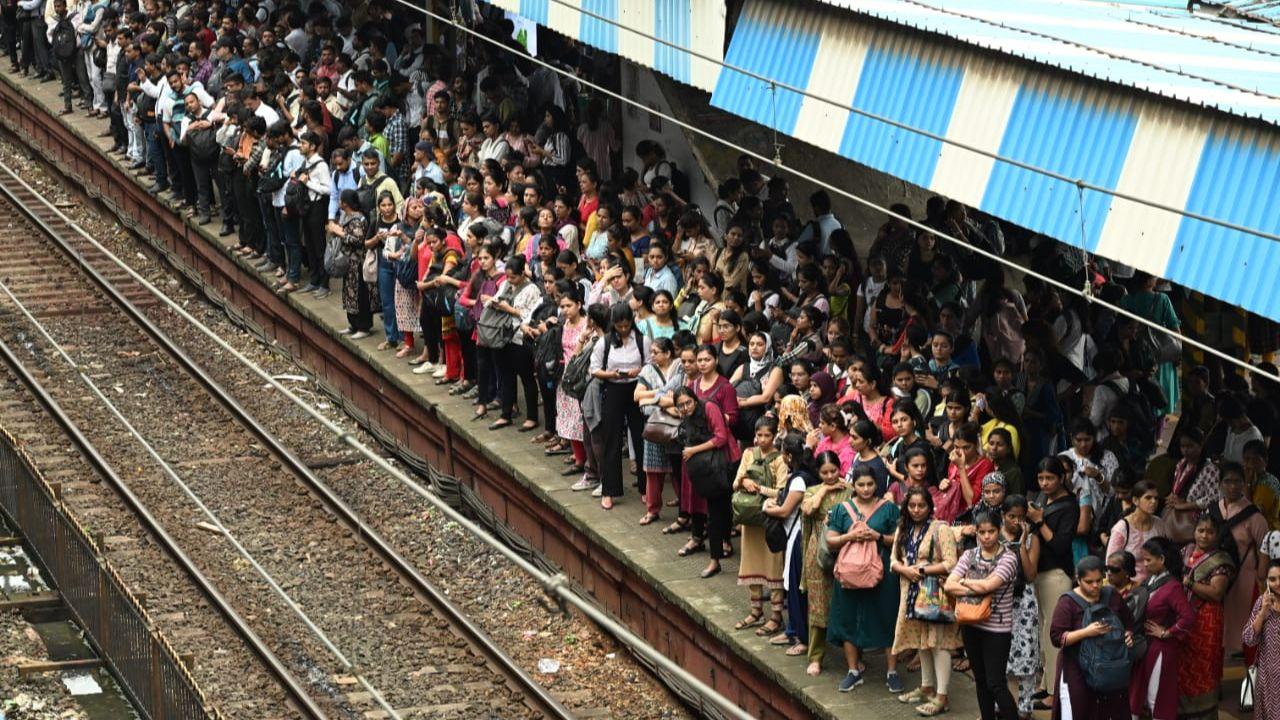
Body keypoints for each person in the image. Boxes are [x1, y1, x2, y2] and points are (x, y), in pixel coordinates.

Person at [825, 467, 901, 692]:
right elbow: (831, 539)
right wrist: (851, 536)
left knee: (887, 617)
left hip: (881, 573)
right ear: (853, 486)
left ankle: (892, 671)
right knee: (848, 617)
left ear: (876, 484)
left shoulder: (888, 509)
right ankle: (853, 670)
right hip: (849, 573)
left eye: (870, 484)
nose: (866, 489)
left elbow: (898, 539)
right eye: (861, 485)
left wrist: (876, 536)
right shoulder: (841, 509)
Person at [890, 487, 961, 716]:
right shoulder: (903, 528)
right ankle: (927, 686)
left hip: (933, 594)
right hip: (910, 591)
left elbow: (951, 563)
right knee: (922, 641)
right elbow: (893, 560)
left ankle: (942, 696)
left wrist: (921, 569)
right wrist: (905, 570)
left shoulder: (941, 529)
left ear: (930, 506)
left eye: (921, 506)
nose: (917, 510)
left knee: (938, 643)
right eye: (912, 506)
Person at [944, 510, 1020, 720]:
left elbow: (989, 585)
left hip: (997, 628)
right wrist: (975, 588)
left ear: (999, 530)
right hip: (971, 623)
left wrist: (965, 582)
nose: (987, 537)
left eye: (992, 531)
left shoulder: (1009, 557)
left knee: (996, 684)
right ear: (976, 532)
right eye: (982, 532)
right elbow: (949, 585)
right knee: (980, 680)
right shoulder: (969, 555)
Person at [1048, 555, 1135, 719]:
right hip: (1076, 669)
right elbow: (1057, 638)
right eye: (1089, 582)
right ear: (1078, 579)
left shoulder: (1111, 595)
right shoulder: (1067, 603)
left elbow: (1128, 622)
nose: (1095, 586)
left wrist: (1128, 635)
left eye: (1099, 580)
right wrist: (1086, 632)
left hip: (1110, 669)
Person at [1027, 456, 1079, 711]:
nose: (1045, 483)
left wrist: (1038, 521)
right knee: (1042, 632)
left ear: (1061, 478)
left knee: (1054, 635)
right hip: (1039, 573)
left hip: (1056, 574)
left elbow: (1059, 545)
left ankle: (1056, 693)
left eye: (1050, 478)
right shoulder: (1041, 499)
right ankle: (1046, 685)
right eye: (1041, 478)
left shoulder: (1070, 506)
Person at [673, 385, 740, 578]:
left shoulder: (709, 407)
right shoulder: (687, 417)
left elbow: (720, 437)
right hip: (707, 468)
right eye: (681, 406)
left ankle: (716, 558)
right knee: (716, 511)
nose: (685, 408)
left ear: (695, 399)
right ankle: (717, 556)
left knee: (718, 512)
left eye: (688, 403)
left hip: (724, 463)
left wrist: (694, 450)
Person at [589, 302, 650, 509]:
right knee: (611, 440)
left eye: (626, 325)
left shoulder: (642, 340)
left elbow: (650, 364)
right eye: (619, 326)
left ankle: (645, 487)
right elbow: (595, 369)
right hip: (613, 388)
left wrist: (638, 371)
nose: (623, 329)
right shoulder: (604, 342)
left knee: (641, 437)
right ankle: (610, 490)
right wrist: (611, 374)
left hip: (636, 388)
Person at [763, 432, 819, 654]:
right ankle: (792, 630)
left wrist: (768, 508)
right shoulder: (805, 474)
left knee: (797, 590)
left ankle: (801, 638)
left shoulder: (799, 480)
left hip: (798, 537)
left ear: (787, 455)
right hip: (798, 535)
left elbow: (786, 510)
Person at [1130, 536, 1196, 720]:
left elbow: (1188, 617)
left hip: (1160, 650)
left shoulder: (1173, 587)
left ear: (1162, 560)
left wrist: (1167, 632)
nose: (1144, 564)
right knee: (1137, 696)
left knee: (1156, 699)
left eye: (1148, 560)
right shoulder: (1149, 582)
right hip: (1144, 646)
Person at [731, 416, 788, 633]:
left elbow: (782, 491)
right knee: (751, 565)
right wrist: (743, 482)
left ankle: (775, 616)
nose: (763, 439)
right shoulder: (748, 454)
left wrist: (759, 489)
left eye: (767, 435)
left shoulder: (780, 460)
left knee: (773, 566)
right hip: (750, 517)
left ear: (774, 436)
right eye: (759, 435)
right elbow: (736, 482)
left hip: (770, 518)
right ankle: (755, 611)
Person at [1178, 513, 1236, 718]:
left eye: (1210, 532)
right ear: (1194, 532)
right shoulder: (1185, 550)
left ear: (1218, 535)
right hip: (1183, 617)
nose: (1204, 536)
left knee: (1205, 665)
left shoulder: (1221, 560)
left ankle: (1205, 712)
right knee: (1183, 664)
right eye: (1200, 530)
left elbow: (1216, 593)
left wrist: (1191, 584)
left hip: (1207, 620)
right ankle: (1182, 710)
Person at [800, 451, 852, 676]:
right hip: (818, 551)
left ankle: (852, 656)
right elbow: (809, 509)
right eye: (824, 472)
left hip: (845, 549)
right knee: (818, 604)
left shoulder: (850, 490)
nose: (830, 476)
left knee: (847, 602)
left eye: (833, 471)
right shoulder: (812, 491)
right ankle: (815, 656)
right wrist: (825, 489)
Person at [1214, 461, 1270, 655]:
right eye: (1228, 481)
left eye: (1238, 481)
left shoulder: (1253, 515)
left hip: (1245, 577)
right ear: (1220, 483)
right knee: (1217, 626)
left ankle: (1252, 676)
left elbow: (1266, 543)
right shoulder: (1214, 510)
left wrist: (1262, 572)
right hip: (1218, 575)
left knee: (1247, 624)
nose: (1233, 486)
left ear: (1244, 483)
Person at [1001, 495, 1043, 720]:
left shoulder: (1032, 539)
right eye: (1011, 517)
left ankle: (1025, 707)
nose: (1016, 522)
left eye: (1021, 517)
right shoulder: (992, 534)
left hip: (1024, 600)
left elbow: (1030, 574)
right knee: (1000, 652)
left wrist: (1022, 544)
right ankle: (1003, 704)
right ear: (1003, 516)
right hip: (1000, 599)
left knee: (1026, 651)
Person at [635, 336, 684, 524]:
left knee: (678, 470)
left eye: (656, 352)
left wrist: (652, 399)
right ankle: (653, 509)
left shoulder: (680, 368)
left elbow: (682, 397)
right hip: (655, 426)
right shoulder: (648, 369)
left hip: (675, 424)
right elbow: (637, 396)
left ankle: (684, 510)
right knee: (653, 471)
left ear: (668, 353)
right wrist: (661, 395)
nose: (652, 355)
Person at [327, 189, 372, 338]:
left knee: (359, 294)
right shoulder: (346, 216)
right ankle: (353, 324)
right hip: (348, 263)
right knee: (349, 293)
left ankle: (363, 326)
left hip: (357, 262)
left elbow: (358, 240)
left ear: (345, 203)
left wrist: (340, 233)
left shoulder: (358, 219)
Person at [1104, 480, 1166, 583]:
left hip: (1155, 584)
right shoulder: (1122, 528)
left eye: (1156, 498)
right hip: (1128, 587)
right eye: (1148, 498)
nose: (1153, 502)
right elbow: (1110, 565)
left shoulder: (1159, 524)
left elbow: (1163, 557)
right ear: (1135, 500)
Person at [1242, 559, 1280, 720]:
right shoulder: (1262, 602)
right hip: (1268, 678)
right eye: (1272, 579)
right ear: (1267, 581)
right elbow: (1248, 638)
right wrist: (1263, 612)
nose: (1278, 583)